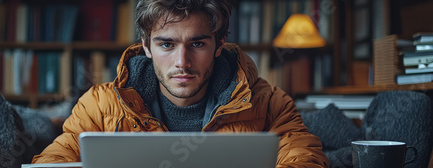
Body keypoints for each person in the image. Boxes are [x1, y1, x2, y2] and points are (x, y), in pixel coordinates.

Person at [32, 0, 330, 167]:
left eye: (197, 44)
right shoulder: (98, 105)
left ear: (219, 43)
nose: (182, 62)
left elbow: (305, 158)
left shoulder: (270, 103)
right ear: (146, 47)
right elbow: (53, 162)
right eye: (167, 45)